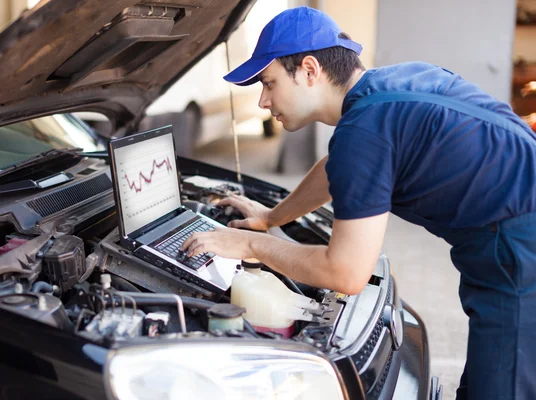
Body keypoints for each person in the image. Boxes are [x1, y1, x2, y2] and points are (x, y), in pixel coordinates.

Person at [181, 6, 536, 399]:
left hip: (520, 255)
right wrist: (270, 217)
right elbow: (334, 168)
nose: (264, 101)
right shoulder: (384, 90)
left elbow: (347, 273)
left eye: (268, 83)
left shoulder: (363, 132)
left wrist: (250, 245)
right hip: (510, 238)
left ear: (310, 70)